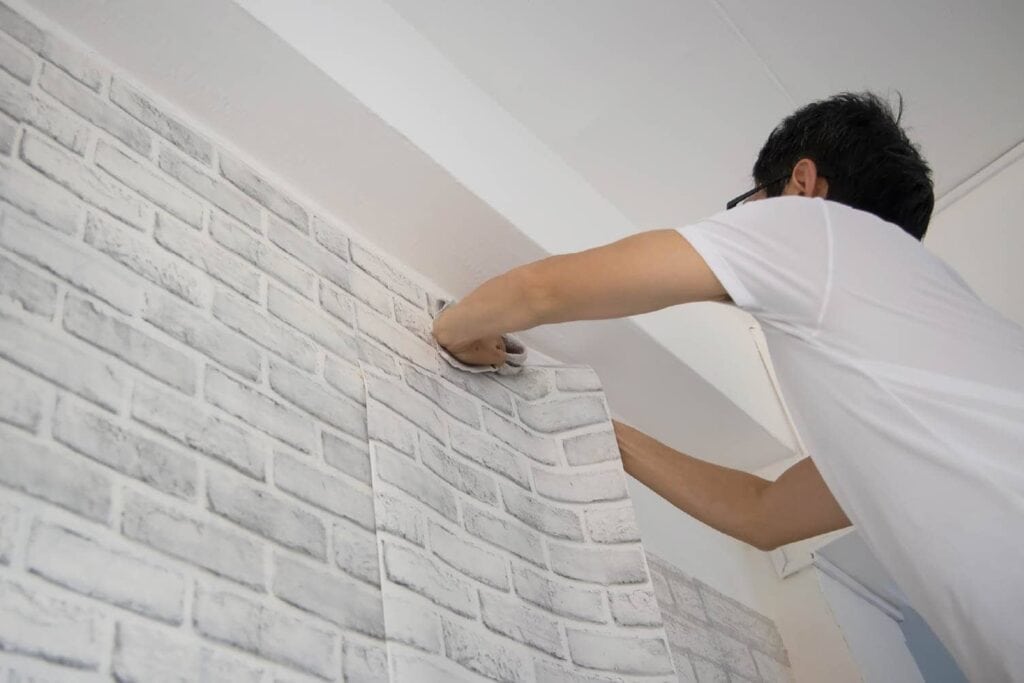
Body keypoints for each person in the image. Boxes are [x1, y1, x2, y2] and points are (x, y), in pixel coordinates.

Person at [432, 92, 1024, 682]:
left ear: (803, 183)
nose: (748, 221)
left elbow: (545, 291)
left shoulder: (818, 226)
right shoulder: (935, 381)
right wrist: (591, 422)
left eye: (750, 202)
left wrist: (456, 329)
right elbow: (762, 515)